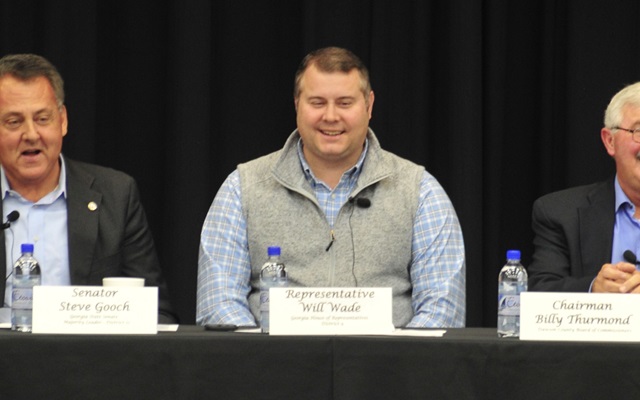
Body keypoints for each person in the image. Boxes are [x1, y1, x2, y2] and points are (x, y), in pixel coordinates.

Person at [196, 47, 465, 328]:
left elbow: (441, 310)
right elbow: (219, 304)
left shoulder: (420, 191)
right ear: (297, 104)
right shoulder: (242, 188)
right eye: (317, 102)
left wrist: (390, 356)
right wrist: (268, 354)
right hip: (271, 357)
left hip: (388, 357)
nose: (331, 116)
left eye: (345, 103)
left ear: (369, 106)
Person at [0, 53, 177, 323]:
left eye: (43, 119)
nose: (32, 134)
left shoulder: (116, 195)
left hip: (89, 351)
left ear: (63, 121)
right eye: (14, 122)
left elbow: (157, 314)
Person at [529, 81, 640, 294]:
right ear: (610, 141)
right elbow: (540, 291)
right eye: (639, 130)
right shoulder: (560, 213)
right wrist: (593, 290)